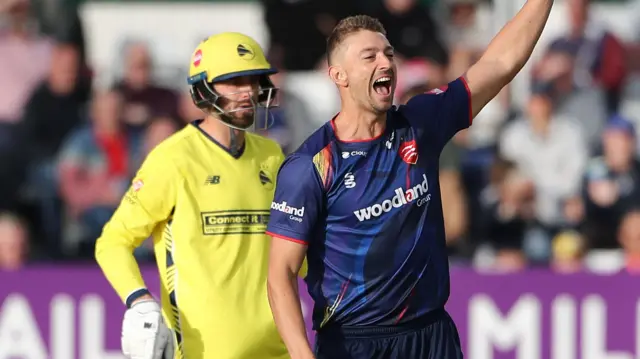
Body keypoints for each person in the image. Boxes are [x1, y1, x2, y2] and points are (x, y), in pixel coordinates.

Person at [265, 3, 554, 358]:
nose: (385, 63)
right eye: (369, 57)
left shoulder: (420, 124)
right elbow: (281, 273)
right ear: (339, 75)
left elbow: (499, 64)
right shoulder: (310, 165)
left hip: (431, 337)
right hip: (354, 344)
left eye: (388, 53)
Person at [95, 32, 303, 359]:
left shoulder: (272, 155)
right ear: (204, 90)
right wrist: (139, 300)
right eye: (233, 82)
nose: (247, 92)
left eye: (253, 81)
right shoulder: (172, 159)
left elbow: (294, 255)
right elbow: (113, 242)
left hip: (277, 351)